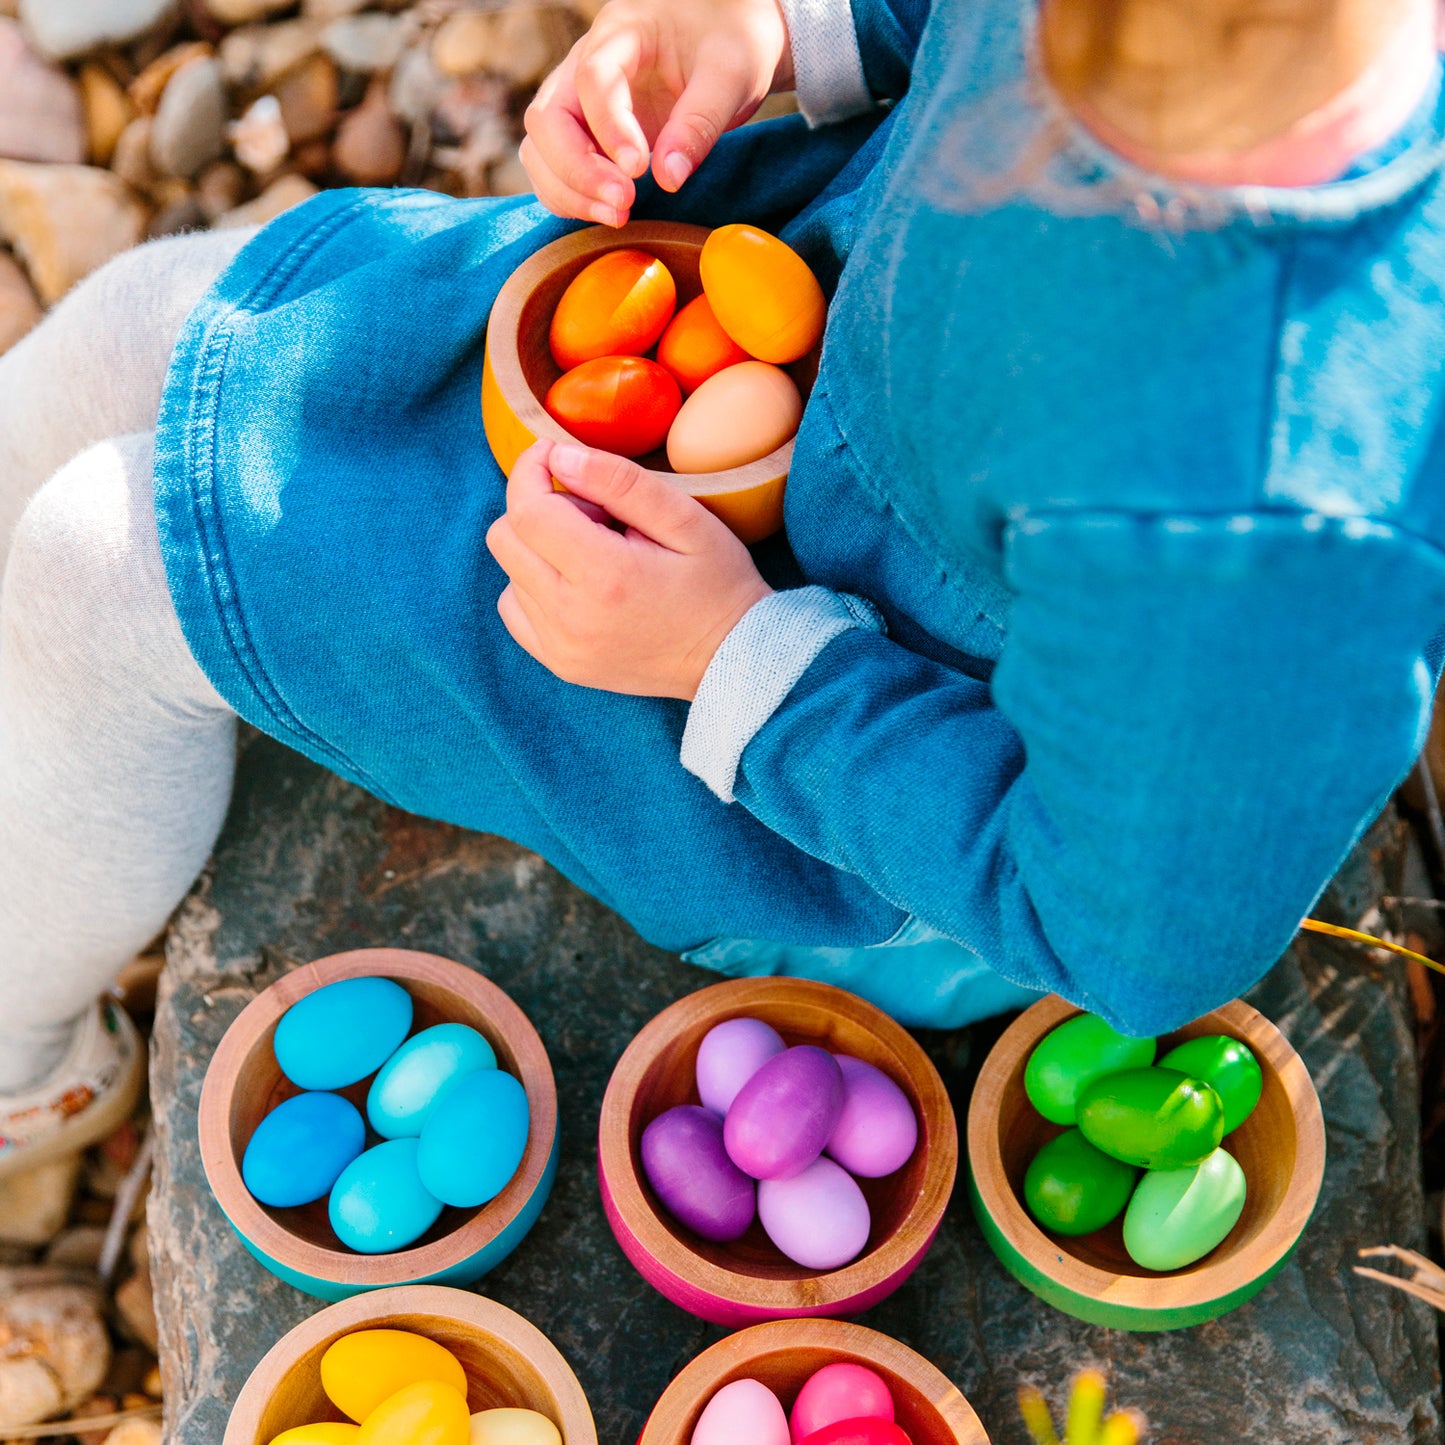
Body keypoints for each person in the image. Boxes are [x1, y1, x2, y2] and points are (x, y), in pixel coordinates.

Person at [2, 0, 1442, 1177]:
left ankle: (20, 1076)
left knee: (101, 561)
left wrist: (727, 653)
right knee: (136, 323)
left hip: (822, 765)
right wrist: (769, 36)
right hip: (796, 350)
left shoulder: (1272, 517)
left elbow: (1126, 935)